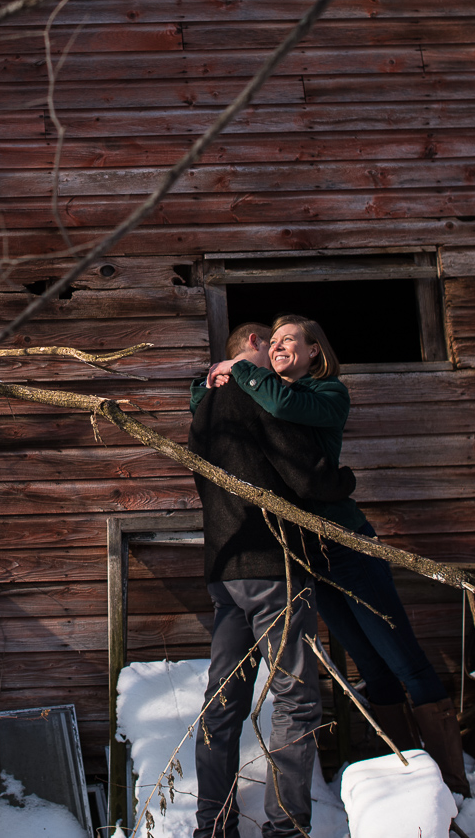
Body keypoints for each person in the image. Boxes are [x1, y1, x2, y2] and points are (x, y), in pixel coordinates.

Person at [211, 315, 470, 799]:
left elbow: (282, 401)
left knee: (403, 660)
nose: (280, 344)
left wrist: (239, 367)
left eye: (291, 339)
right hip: (307, 556)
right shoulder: (262, 389)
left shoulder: (328, 394)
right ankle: (411, 777)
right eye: (275, 339)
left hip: (346, 546)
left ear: (315, 353)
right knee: (368, 666)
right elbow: (210, 409)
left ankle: (453, 784)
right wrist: (222, 376)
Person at [187, 323, 355, 838]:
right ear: (255, 348)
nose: (278, 354)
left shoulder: (204, 409)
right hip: (273, 566)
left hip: (225, 570)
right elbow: (306, 473)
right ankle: (285, 829)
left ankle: (212, 828)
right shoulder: (256, 397)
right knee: (295, 699)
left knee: (223, 702)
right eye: (273, 344)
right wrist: (343, 480)